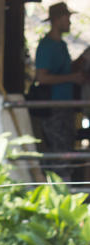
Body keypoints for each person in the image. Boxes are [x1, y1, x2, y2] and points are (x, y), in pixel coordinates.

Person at [34, 2, 89, 178]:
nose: (70, 23)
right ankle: (59, 194)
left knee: (66, 150)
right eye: (67, 18)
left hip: (66, 106)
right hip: (53, 108)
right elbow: (41, 78)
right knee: (59, 155)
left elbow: (67, 72)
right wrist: (71, 78)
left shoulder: (62, 45)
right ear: (58, 19)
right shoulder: (46, 45)